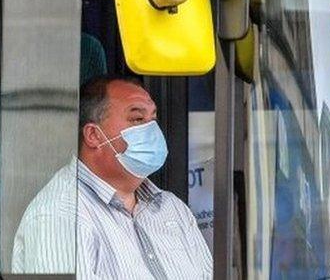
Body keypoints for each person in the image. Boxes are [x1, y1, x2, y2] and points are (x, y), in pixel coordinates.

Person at [11, 75, 213, 279]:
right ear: (93, 135)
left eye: (153, 119)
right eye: (137, 119)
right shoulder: (60, 216)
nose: (152, 130)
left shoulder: (172, 209)